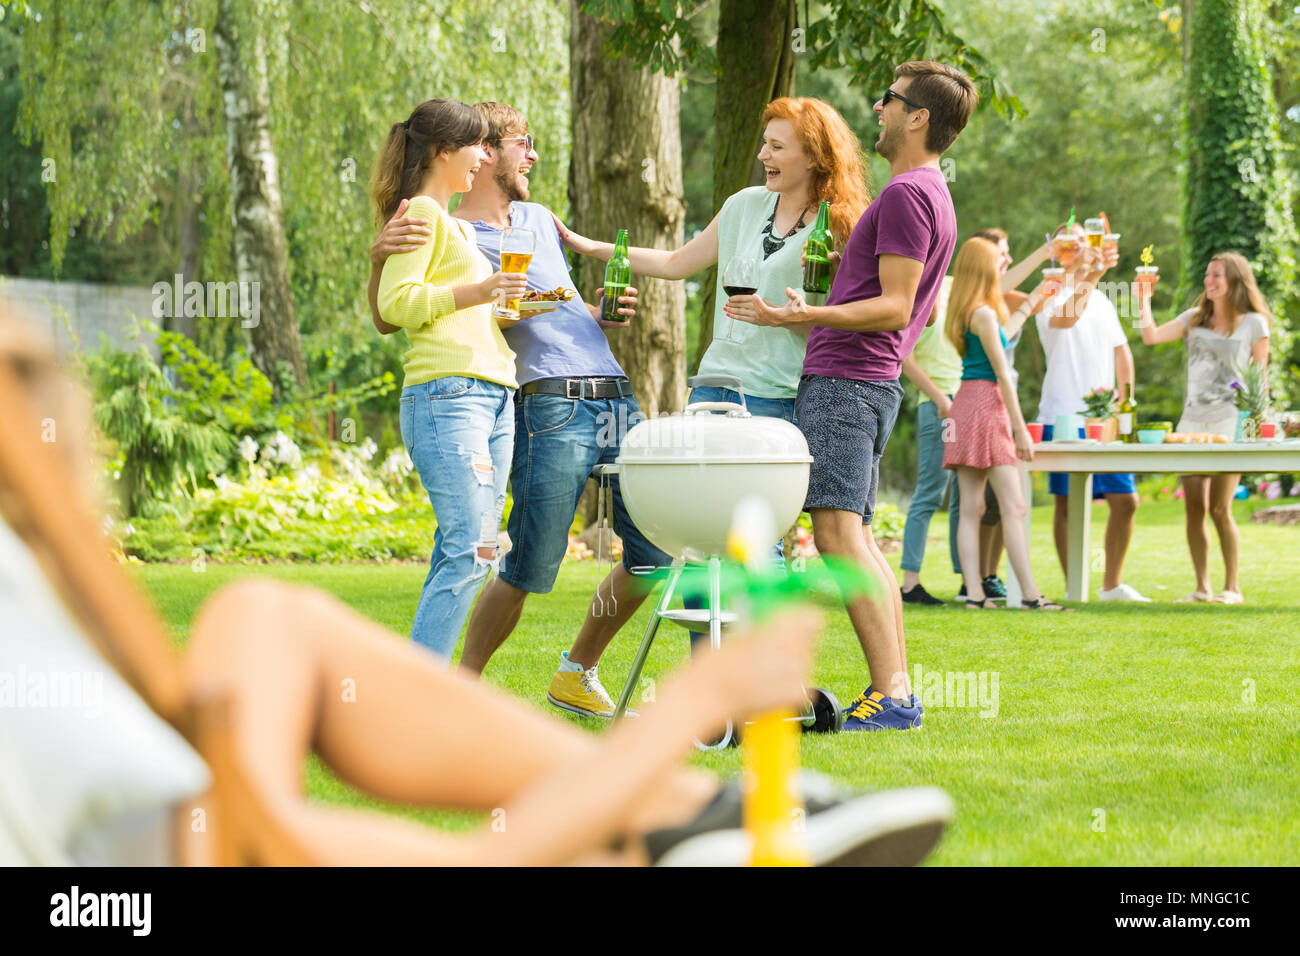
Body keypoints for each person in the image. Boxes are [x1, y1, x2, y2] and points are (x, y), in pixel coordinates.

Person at [0, 305, 956, 868]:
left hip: (171, 799)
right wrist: (684, 709)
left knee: (263, 618)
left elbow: (188, 738)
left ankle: (675, 818)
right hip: (185, 836)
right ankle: (668, 822)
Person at [368, 102, 670, 719]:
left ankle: (570, 672)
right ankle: (451, 692)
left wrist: (597, 313)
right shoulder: (447, 225)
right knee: (518, 558)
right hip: (535, 400)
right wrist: (385, 260)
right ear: (475, 153)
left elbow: (562, 308)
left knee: (656, 548)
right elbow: (394, 312)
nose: (530, 155)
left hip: (606, 390)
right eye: (517, 143)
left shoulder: (539, 219)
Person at [557, 96, 870, 646]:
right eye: (764, 143)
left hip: (778, 397)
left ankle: (758, 683)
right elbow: (679, 264)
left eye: (777, 146)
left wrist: (783, 319)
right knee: (706, 539)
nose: (762, 155)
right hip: (716, 389)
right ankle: (720, 677)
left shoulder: (842, 228)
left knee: (756, 547)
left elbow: (833, 325)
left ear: (816, 157)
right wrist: (589, 246)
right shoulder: (746, 204)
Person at [728, 61, 978, 730]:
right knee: (858, 538)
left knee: (838, 536)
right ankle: (896, 691)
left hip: (847, 381)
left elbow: (896, 307)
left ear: (918, 117)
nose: (878, 107)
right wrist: (840, 280)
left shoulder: (904, 195)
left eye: (890, 100)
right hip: (868, 382)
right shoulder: (929, 193)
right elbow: (890, 295)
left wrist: (799, 317)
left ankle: (893, 696)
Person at [370, 99, 527, 661]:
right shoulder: (421, 214)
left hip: (492, 393)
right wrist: (482, 291)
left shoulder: (452, 224)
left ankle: (422, 685)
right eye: (476, 147)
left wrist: (505, 304)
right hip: (448, 394)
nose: (484, 157)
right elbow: (395, 303)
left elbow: (460, 306)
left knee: (475, 550)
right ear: (442, 151)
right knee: (469, 548)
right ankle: (418, 695)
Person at [1134, 252, 1271, 604]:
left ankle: (1232, 588)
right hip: (1192, 423)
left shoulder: (1255, 324)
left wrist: (1258, 423)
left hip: (1229, 423)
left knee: (1220, 509)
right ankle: (1202, 588)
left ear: (1235, 282)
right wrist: (1142, 298)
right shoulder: (1194, 318)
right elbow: (1150, 336)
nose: (1209, 282)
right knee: (1194, 508)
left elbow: (1261, 382)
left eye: (1217, 276)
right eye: (1207, 275)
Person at [941, 237, 1065, 610]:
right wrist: (1019, 427)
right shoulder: (984, 313)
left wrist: (1031, 302)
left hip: (964, 403)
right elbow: (1003, 374)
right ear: (984, 267)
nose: (1002, 267)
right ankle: (1029, 595)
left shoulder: (968, 311)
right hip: (986, 404)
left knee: (971, 509)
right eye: (998, 261)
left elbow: (1002, 337)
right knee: (1014, 507)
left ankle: (975, 595)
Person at [1034, 221, 1149, 602]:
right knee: (1068, 502)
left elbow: (1122, 352)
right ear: (1057, 248)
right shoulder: (1048, 290)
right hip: (1064, 414)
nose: (1083, 243)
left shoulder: (1100, 298)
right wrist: (1094, 273)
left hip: (1106, 420)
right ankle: (1075, 586)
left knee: (1126, 500)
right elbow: (1066, 318)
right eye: (1074, 239)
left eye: (1086, 237)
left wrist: (1124, 403)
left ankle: (1111, 585)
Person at [898, 276, 962, 605]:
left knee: (964, 496)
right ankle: (910, 583)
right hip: (939, 406)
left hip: (965, 402)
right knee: (931, 492)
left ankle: (968, 579)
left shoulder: (955, 285)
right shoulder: (914, 287)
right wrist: (939, 399)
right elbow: (904, 357)